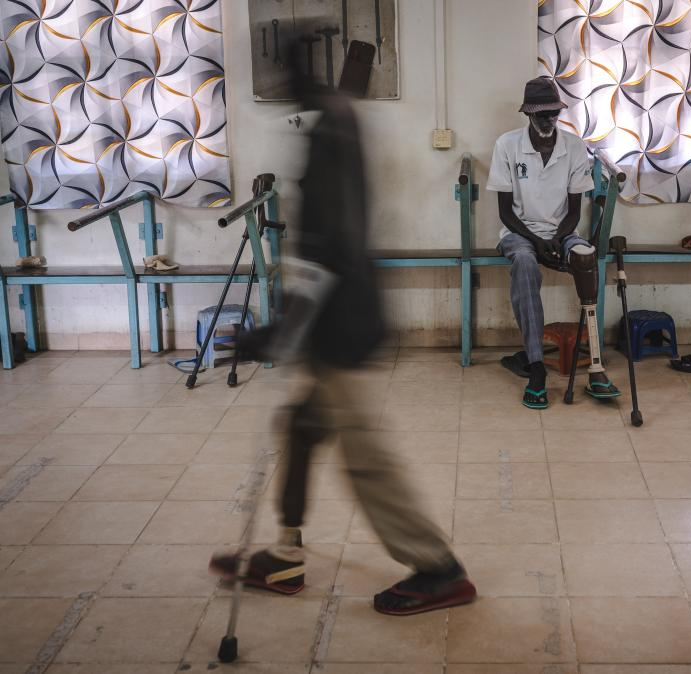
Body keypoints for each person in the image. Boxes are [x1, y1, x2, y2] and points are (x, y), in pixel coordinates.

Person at [209, 61, 475, 617]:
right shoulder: (337, 122)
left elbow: (328, 248)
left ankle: (438, 569)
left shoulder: (329, 134)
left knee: (366, 461)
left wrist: (279, 332)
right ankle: (286, 553)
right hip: (334, 322)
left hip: (339, 328)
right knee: (301, 427)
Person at [489, 76, 621, 408]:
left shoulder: (574, 146)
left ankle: (596, 366)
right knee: (524, 262)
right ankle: (536, 368)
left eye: (554, 113)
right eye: (542, 114)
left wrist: (558, 239)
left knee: (586, 257)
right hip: (519, 233)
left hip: (563, 232)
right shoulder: (507, 145)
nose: (549, 119)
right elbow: (505, 212)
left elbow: (574, 211)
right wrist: (536, 242)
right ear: (528, 113)